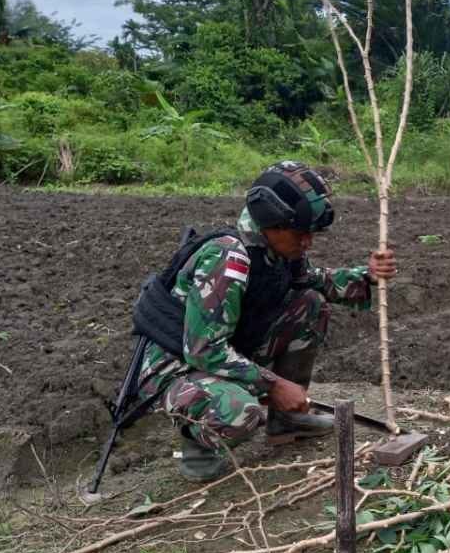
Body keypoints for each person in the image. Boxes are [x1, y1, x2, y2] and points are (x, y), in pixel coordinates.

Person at [131, 160, 397, 481]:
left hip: (222, 349)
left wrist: (367, 277)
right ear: (274, 225)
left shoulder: (276, 252)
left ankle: (286, 421)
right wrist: (274, 385)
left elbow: (317, 281)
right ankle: (198, 444)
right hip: (176, 368)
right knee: (242, 413)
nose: (308, 242)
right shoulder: (227, 258)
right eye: (301, 234)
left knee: (310, 304)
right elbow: (203, 351)